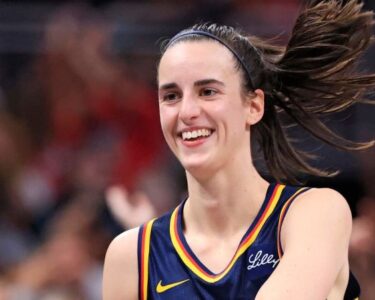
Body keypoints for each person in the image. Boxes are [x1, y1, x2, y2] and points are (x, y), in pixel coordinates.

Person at [103, 0, 375, 299]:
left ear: (254, 106)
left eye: (208, 91)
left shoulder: (314, 212)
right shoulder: (133, 256)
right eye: (171, 95)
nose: (187, 111)